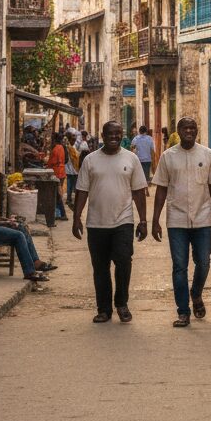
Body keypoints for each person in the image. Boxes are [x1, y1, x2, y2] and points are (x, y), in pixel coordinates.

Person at [72, 121, 149, 323]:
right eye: (110, 134)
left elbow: (139, 191)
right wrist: (76, 218)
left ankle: (122, 303)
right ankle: (104, 309)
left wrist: (143, 220)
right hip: (96, 223)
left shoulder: (131, 159)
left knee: (124, 261)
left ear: (121, 135)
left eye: (118, 133)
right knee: (100, 267)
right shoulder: (90, 160)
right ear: (102, 135)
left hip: (123, 221)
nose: (114, 137)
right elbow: (82, 190)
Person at [151, 117, 211, 328]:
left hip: (202, 219)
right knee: (179, 267)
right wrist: (155, 220)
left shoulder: (207, 155)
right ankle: (183, 311)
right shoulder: (168, 157)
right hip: (176, 220)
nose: (189, 131)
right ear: (179, 131)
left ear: (197, 131)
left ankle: (196, 293)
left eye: (193, 127)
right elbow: (161, 189)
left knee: (204, 262)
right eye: (185, 128)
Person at [46, 133, 68, 221]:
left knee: (57, 194)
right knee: (57, 193)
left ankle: (62, 213)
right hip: (61, 172)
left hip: (57, 172)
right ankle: (58, 213)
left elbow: (51, 162)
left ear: (54, 140)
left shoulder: (56, 149)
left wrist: (47, 165)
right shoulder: (61, 147)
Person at [64, 133, 80, 208]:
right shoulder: (69, 148)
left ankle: (71, 199)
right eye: (73, 140)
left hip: (74, 170)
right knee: (71, 186)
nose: (74, 141)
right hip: (71, 170)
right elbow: (76, 157)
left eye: (74, 140)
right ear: (70, 140)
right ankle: (69, 199)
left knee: (72, 186)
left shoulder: (73, 147)